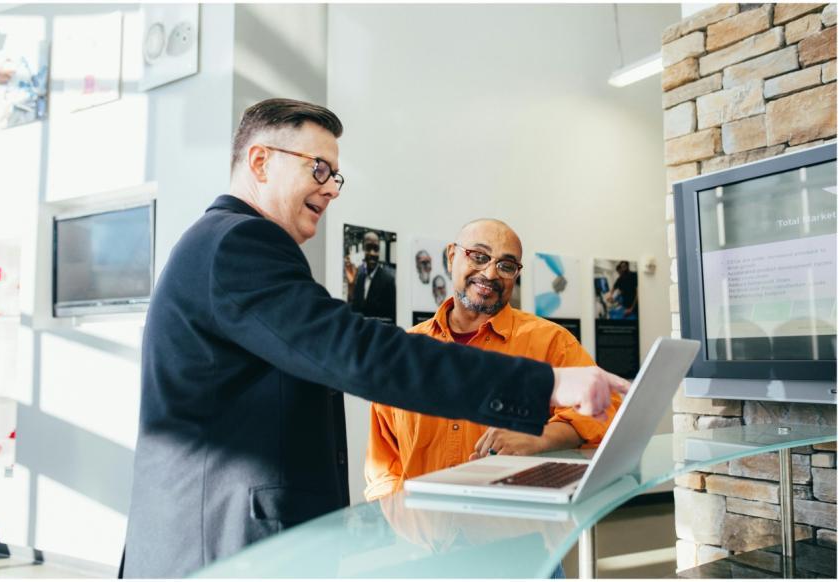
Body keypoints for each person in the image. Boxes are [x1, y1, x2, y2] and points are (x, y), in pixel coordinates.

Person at [121, 98, 629, 578]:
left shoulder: (224, 245)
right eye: (318, 168)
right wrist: (544, 386)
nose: (331, 188)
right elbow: (358, 353)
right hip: (222, 546)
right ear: (259, 162)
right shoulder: (239, 243)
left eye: (335, 176)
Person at [364, 219, 622, 501]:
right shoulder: (406, 352)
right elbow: (383, 464)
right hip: (425, 535)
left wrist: (539, 437)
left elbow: (607, 411)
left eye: (506, 265)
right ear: (452, 256)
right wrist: (401, 524)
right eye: (479, 256)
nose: (490, 273)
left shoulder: (551, 342)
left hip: (515, 530)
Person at [345, 230, 396, 323]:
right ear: (363, 250)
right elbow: (353, 311)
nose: (372, 253)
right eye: (368, 248)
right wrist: (351, 286)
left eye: (376, 249)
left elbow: (392, 319)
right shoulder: (360, 277)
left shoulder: (388, 280)